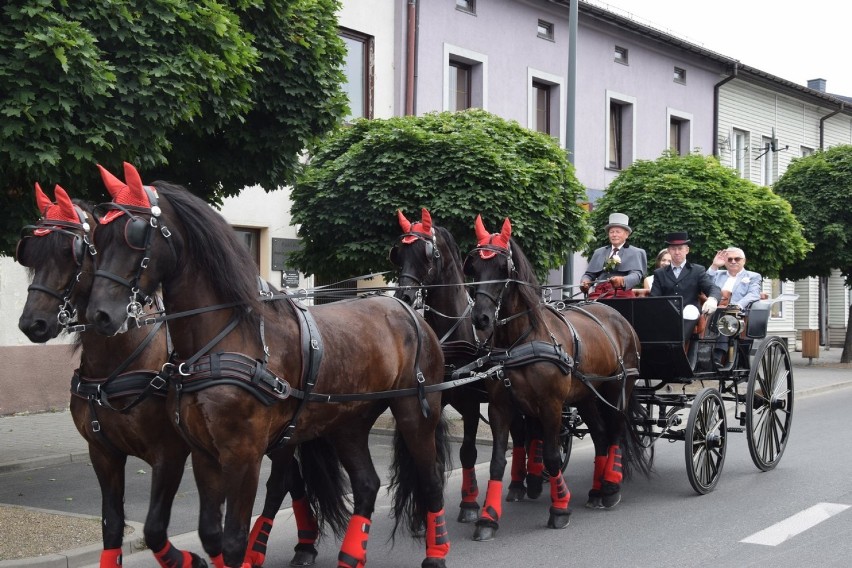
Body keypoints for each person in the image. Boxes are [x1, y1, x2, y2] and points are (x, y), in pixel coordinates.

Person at [707, 246, 763, 368]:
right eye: (730, 259)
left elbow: (753, 294)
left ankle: (718, 355)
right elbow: (703, 283)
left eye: (737, 259)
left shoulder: (753, 276)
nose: (733, 261)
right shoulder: (717, 274)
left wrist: (738, 305)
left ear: (744, 260)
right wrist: (714, 265)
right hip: (712, 310)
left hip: (736, 315)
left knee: (726, 316)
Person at [649, 231, 721, 324]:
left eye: (680, 248)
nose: (677, 252)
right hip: (667, 314)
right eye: (673, 249)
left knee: (689, 311)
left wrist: (713, 299)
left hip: (690, 313)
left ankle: (681, 338)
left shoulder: (697, 270)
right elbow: (654, 297)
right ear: (669, 251)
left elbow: (712, 288)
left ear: (687, 250)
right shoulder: (660, 273)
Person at [580, 212, 647, 299]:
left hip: (621, 292)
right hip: (600, 292)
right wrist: (585, 281)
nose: (614, 235)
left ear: (626, 234)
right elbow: (589, 274)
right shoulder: (599, 252)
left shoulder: (636, 252)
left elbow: (636, 275)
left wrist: (622, 280)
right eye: (611, 232)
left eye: (618, 232)